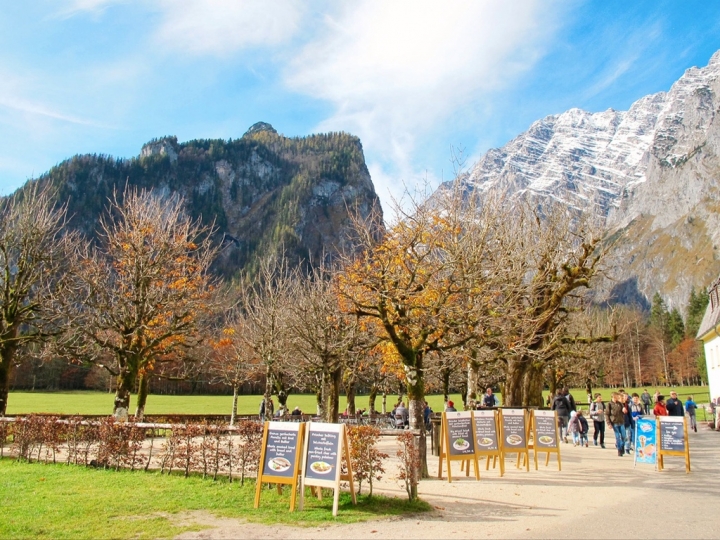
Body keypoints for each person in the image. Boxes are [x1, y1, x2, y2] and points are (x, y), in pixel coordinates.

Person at [607, 392, 627, 457]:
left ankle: (621, 446)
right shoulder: (609, 404)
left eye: (618, 397)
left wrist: (624, 410)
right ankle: (619, 449)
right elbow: (607, 414)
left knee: (624, 436)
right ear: (613, 397)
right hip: (614, 422)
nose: (617, 399)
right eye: (616, 397)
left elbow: (623, 410)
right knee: (617, 437)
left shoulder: (620, 403)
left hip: (621, 422)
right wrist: (609, 423)